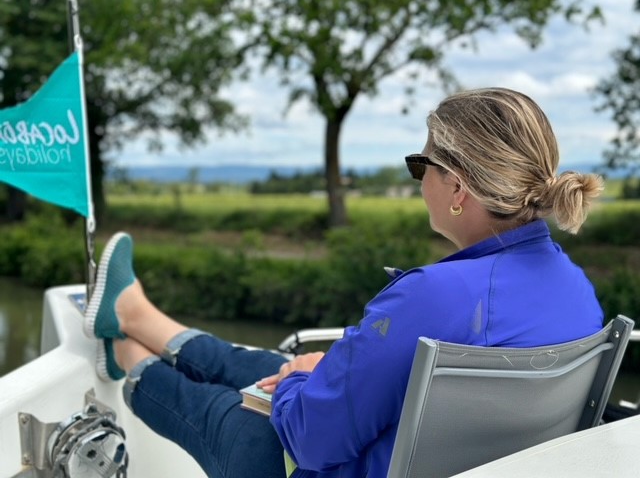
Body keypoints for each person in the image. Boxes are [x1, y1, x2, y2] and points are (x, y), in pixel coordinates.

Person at [84, 87, 605, 478]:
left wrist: (299, 380)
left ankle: (126, 350)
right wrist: (309, 377)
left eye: (421, 164)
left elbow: (312, 441)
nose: (419, 179)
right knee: (265, 368)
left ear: (457, 187)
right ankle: (136, 316)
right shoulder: (576, 291)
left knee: (222, 408)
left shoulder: (433, 296)